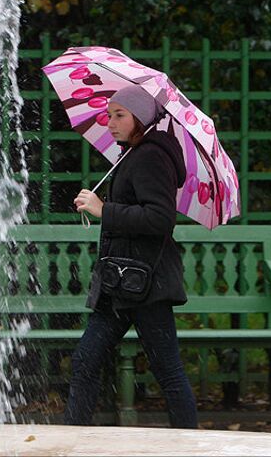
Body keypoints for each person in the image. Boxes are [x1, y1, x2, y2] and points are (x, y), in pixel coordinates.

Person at [64, 85, 198, 428]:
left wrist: (104, 210)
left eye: (119, 115)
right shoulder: (132, 153)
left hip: (147, 283)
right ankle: (72, 441)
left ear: (142, 117)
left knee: (168, 372)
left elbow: (160, 219)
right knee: (85, 362)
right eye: (109, 114)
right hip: (119, 282)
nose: (110, 123)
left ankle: (191, 446)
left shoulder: (152, 156)